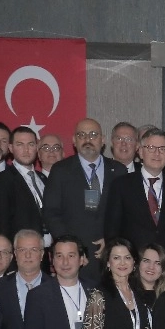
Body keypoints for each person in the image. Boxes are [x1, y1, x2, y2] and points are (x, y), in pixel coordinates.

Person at [46, 118, 123, 279]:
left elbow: (125, 214)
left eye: (93, 135)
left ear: (103, 140)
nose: (88, 139)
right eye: (82, 135)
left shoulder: (118, 171)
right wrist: (73, 248)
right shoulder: (60, 170)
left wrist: (111, 240)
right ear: (74, 141)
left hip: (111, 258)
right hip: (74, 259)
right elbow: (51, 213)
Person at [106, 127, 165, 259]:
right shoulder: (121, 185)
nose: (157, 153)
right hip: (133, 262)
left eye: (162, 149)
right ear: (141, 152)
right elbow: (112, 232)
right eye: (151, 148)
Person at [0, 126, 48, 248]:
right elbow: (2, 224)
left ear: (37, 147)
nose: (26, 150)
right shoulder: (2, 180)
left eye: (30, 144)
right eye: (20, 145)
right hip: (21, 251)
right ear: (11, 148)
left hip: (47, 251)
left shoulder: (43, 178)